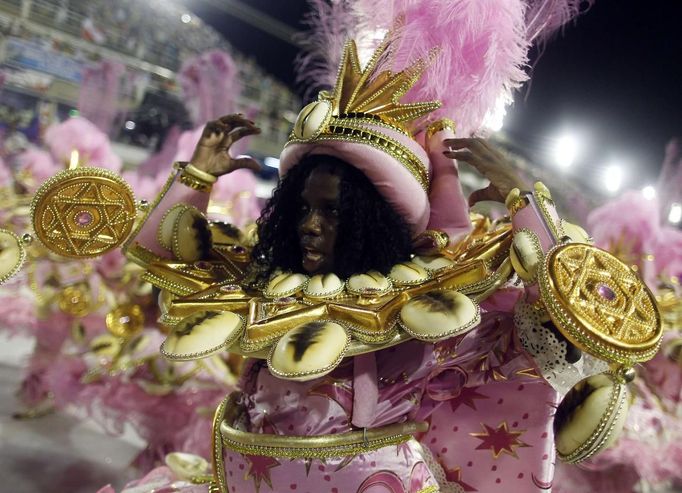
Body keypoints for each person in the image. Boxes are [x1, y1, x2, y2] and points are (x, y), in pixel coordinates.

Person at [95, 38, 659, 493]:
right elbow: (155, 255)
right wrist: (196, 177)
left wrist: (525, 202)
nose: (310, 225)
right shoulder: (264, 282)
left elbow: (576, 318)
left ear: (376, 223)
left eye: (334, 212)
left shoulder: (426, 301)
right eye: (303, 208)